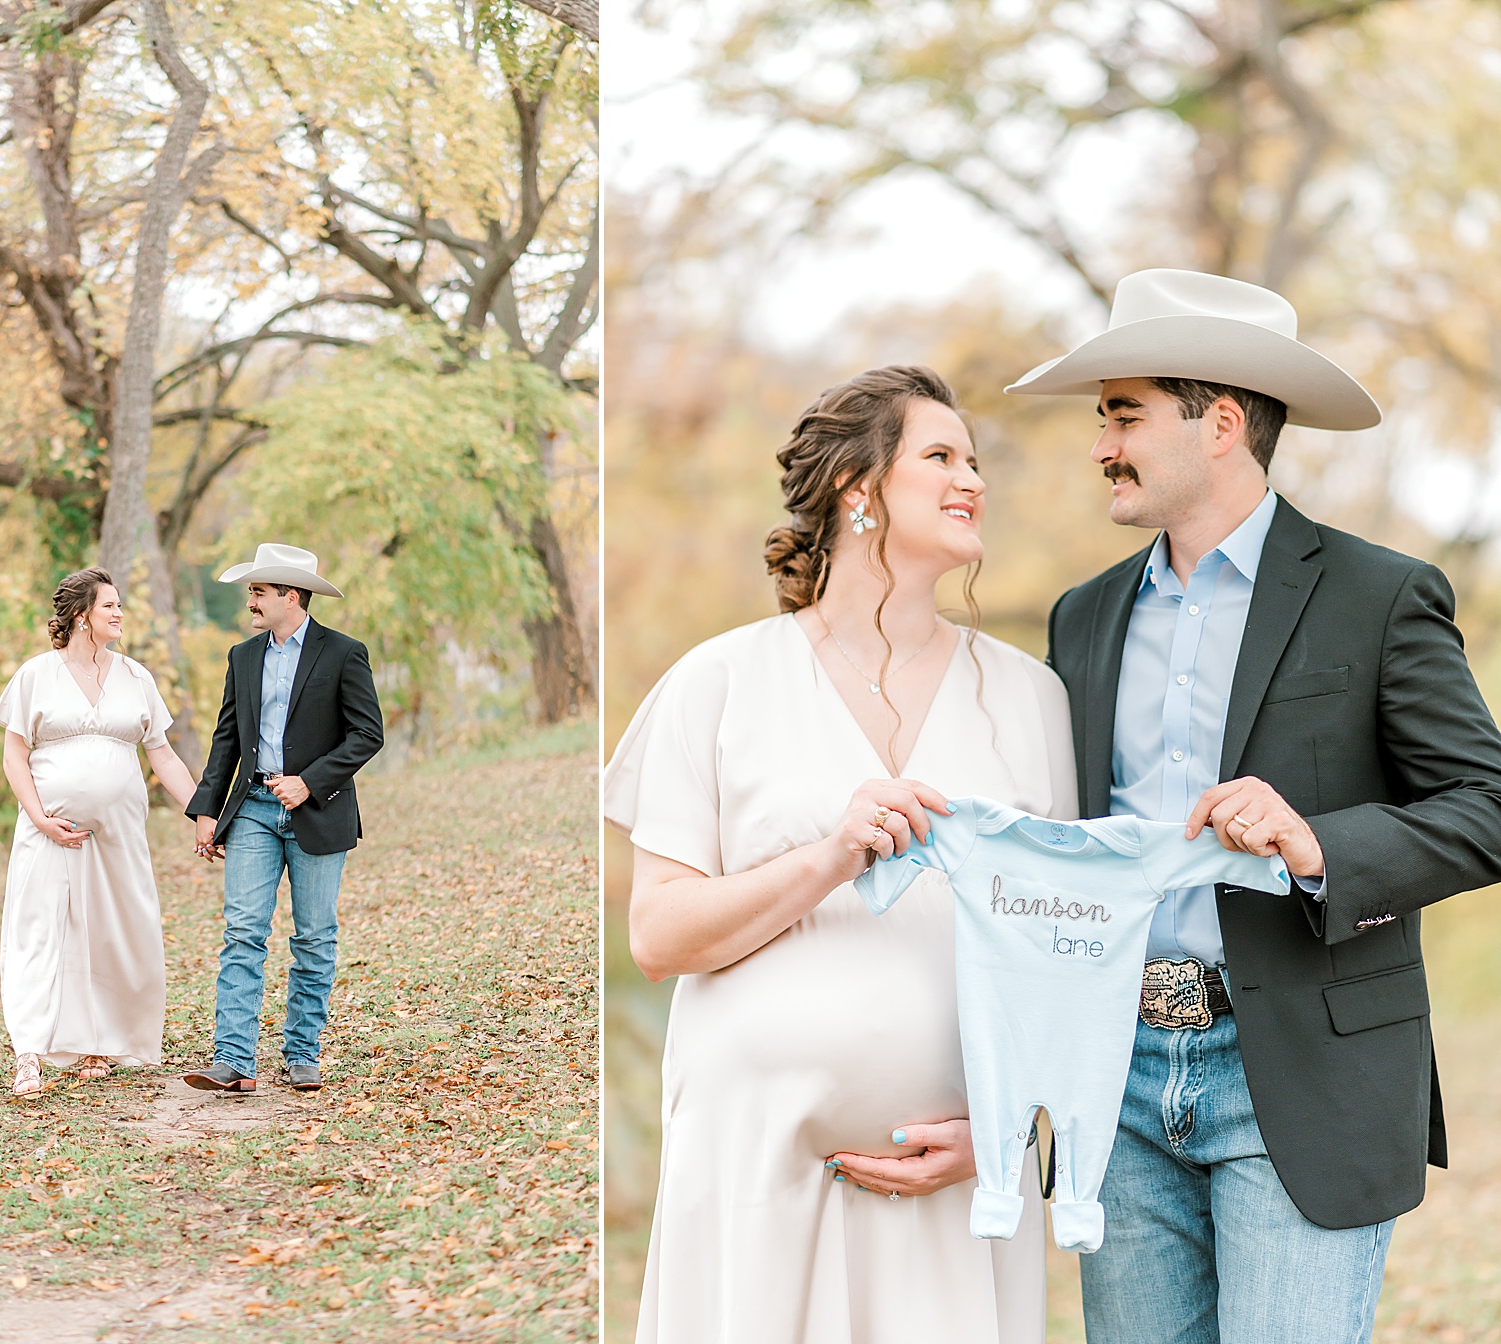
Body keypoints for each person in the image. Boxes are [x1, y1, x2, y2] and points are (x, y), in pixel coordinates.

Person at [1009, 267, 1501, 1344]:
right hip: (1120, 1085)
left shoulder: (1378, 595)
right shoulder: (1081, 619)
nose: (1102, 442)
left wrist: (1319, 842)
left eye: (1124, 413)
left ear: (1220, 421)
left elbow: (1486, 805)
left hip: (1300, 1081)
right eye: (1102, 418)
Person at [603, 366, 1077, 1344]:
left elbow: (1065, 958)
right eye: (941, 456)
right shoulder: (720, 682)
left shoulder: (1032, 699)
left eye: (976, 460)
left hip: (955, 1185)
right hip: (756, 1172)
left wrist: (1007, 1129)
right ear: (858, 489)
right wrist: (829, 857)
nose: (973, 478)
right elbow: (659, 936)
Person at [182, 544, 383, 1095]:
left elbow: (368, 734)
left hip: (318, 810)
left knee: (314, 937)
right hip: (251, 809)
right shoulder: (242, 657)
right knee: (242, 931)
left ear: (290, 597)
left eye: (258, 592)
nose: (250, 601)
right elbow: (228, 738)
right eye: (252, 591)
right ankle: (233, 1061)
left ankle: (301, 1054)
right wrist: (206, 808)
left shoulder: (343, 653)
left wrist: (310, 780)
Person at [0, 567, 199, 1098]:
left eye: (120, 605)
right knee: (40, 932)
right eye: (109, 606)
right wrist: (39, 817)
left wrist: (203, 811)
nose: (119, 613)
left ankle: (98, 1045)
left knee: (111, 930)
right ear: (82, 615)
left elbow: (163, 755)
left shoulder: (136, 677)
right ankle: (30, 1055)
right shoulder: (37, 674)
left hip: (119, 834)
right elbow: (15, 752)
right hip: (49, 830)